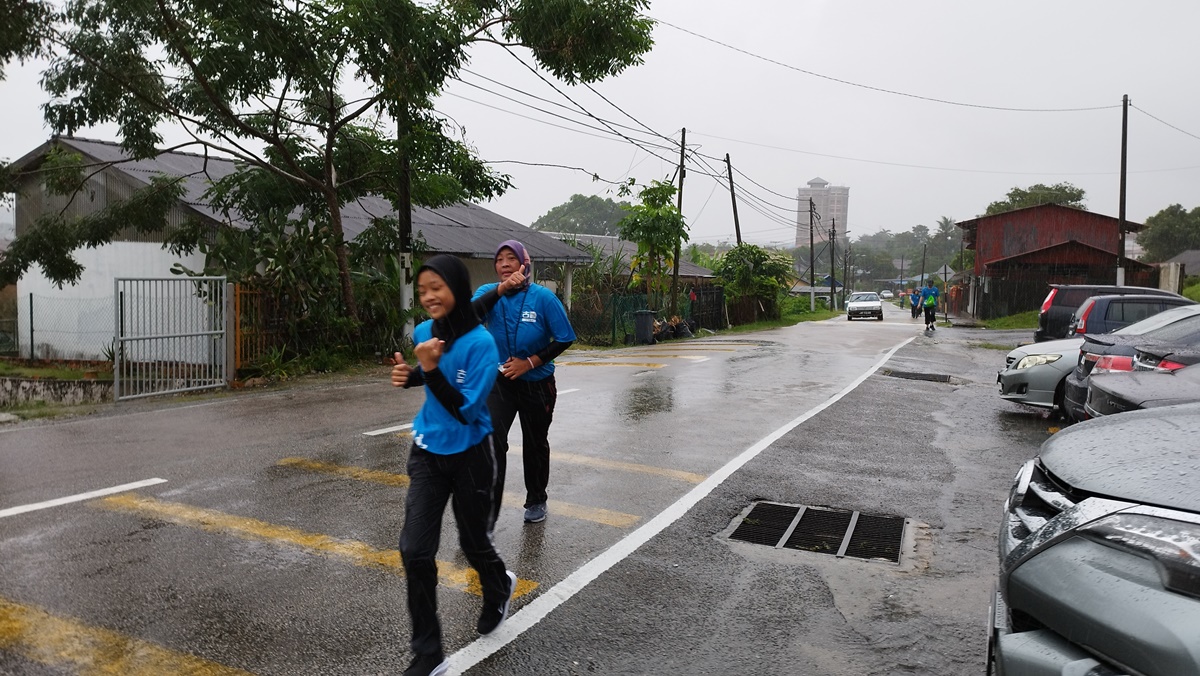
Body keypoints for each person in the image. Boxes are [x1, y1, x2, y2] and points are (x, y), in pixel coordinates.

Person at [391, 255, 517, 676]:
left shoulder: (482, 344)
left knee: (472, 542)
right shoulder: (427, 332)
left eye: (436, 288)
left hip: (471, 455)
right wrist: (410, 374)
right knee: (415, 550)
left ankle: (498, 585)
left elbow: (465, 410)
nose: (428, 297)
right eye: (423, 289)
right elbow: (432, 373)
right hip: (427, 451)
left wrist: (425, 368)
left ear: (458, 289)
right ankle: (428, 653)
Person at [472, 240, 576, 525]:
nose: (504, 264)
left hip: (537, 383)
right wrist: (501, 290)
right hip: (500, 381)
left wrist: (528, 362)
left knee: (535, 443)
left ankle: (537, 499)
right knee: (491, 439)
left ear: (524, 264)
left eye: (511, 258)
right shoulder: (487, 293)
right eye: (499, 259)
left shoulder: (543, 298)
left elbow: (565, 337)